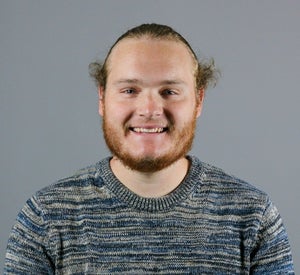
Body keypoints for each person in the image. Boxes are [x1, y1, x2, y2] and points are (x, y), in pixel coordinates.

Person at [4, 23, 294, 274]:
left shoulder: (254, 217)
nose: (150, 109)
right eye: (129, 90)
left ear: (199, 100)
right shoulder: (45, 216)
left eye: (169, 91)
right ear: (102, 99)